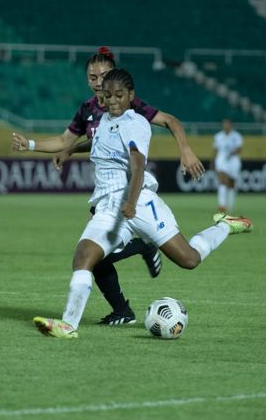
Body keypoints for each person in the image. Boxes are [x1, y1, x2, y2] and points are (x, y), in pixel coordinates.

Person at [32, 69, 252, 339]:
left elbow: (138, 166)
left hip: (141, 203)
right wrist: (69, 150)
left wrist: (131, 203)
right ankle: (68, 325)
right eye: (108, 95)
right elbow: (99, 142)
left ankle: (226, 227)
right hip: (107, 207)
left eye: (119, 95)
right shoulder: (103, 121)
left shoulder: (135, 123)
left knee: (189, 259)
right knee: (83, 258)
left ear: (131, 96)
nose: (112, 100)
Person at [12, 47, 205, 326]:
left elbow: (170, 122)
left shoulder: (129, 105)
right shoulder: (88, 110)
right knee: (95, 258)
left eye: (103, 75)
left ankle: (140, 254)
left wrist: (185, 151)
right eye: (92, 77)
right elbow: (70, 140)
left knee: (95, 256)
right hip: (106, 195)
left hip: (132, 195)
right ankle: (123, 308)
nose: (98, 82)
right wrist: (32, 145)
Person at [212, 118, 243, 214]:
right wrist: (213, 161)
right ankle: (222, 205)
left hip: (233, 160)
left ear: (231, 125)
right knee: (222, 179)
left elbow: (239, 149)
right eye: (224, 124)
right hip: (221, 159)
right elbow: (216, 150)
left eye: (228, 124)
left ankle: (231, 205)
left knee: (231, 183)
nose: (226, 126)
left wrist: (231, 153)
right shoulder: (218, 136)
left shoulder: (237, 136)